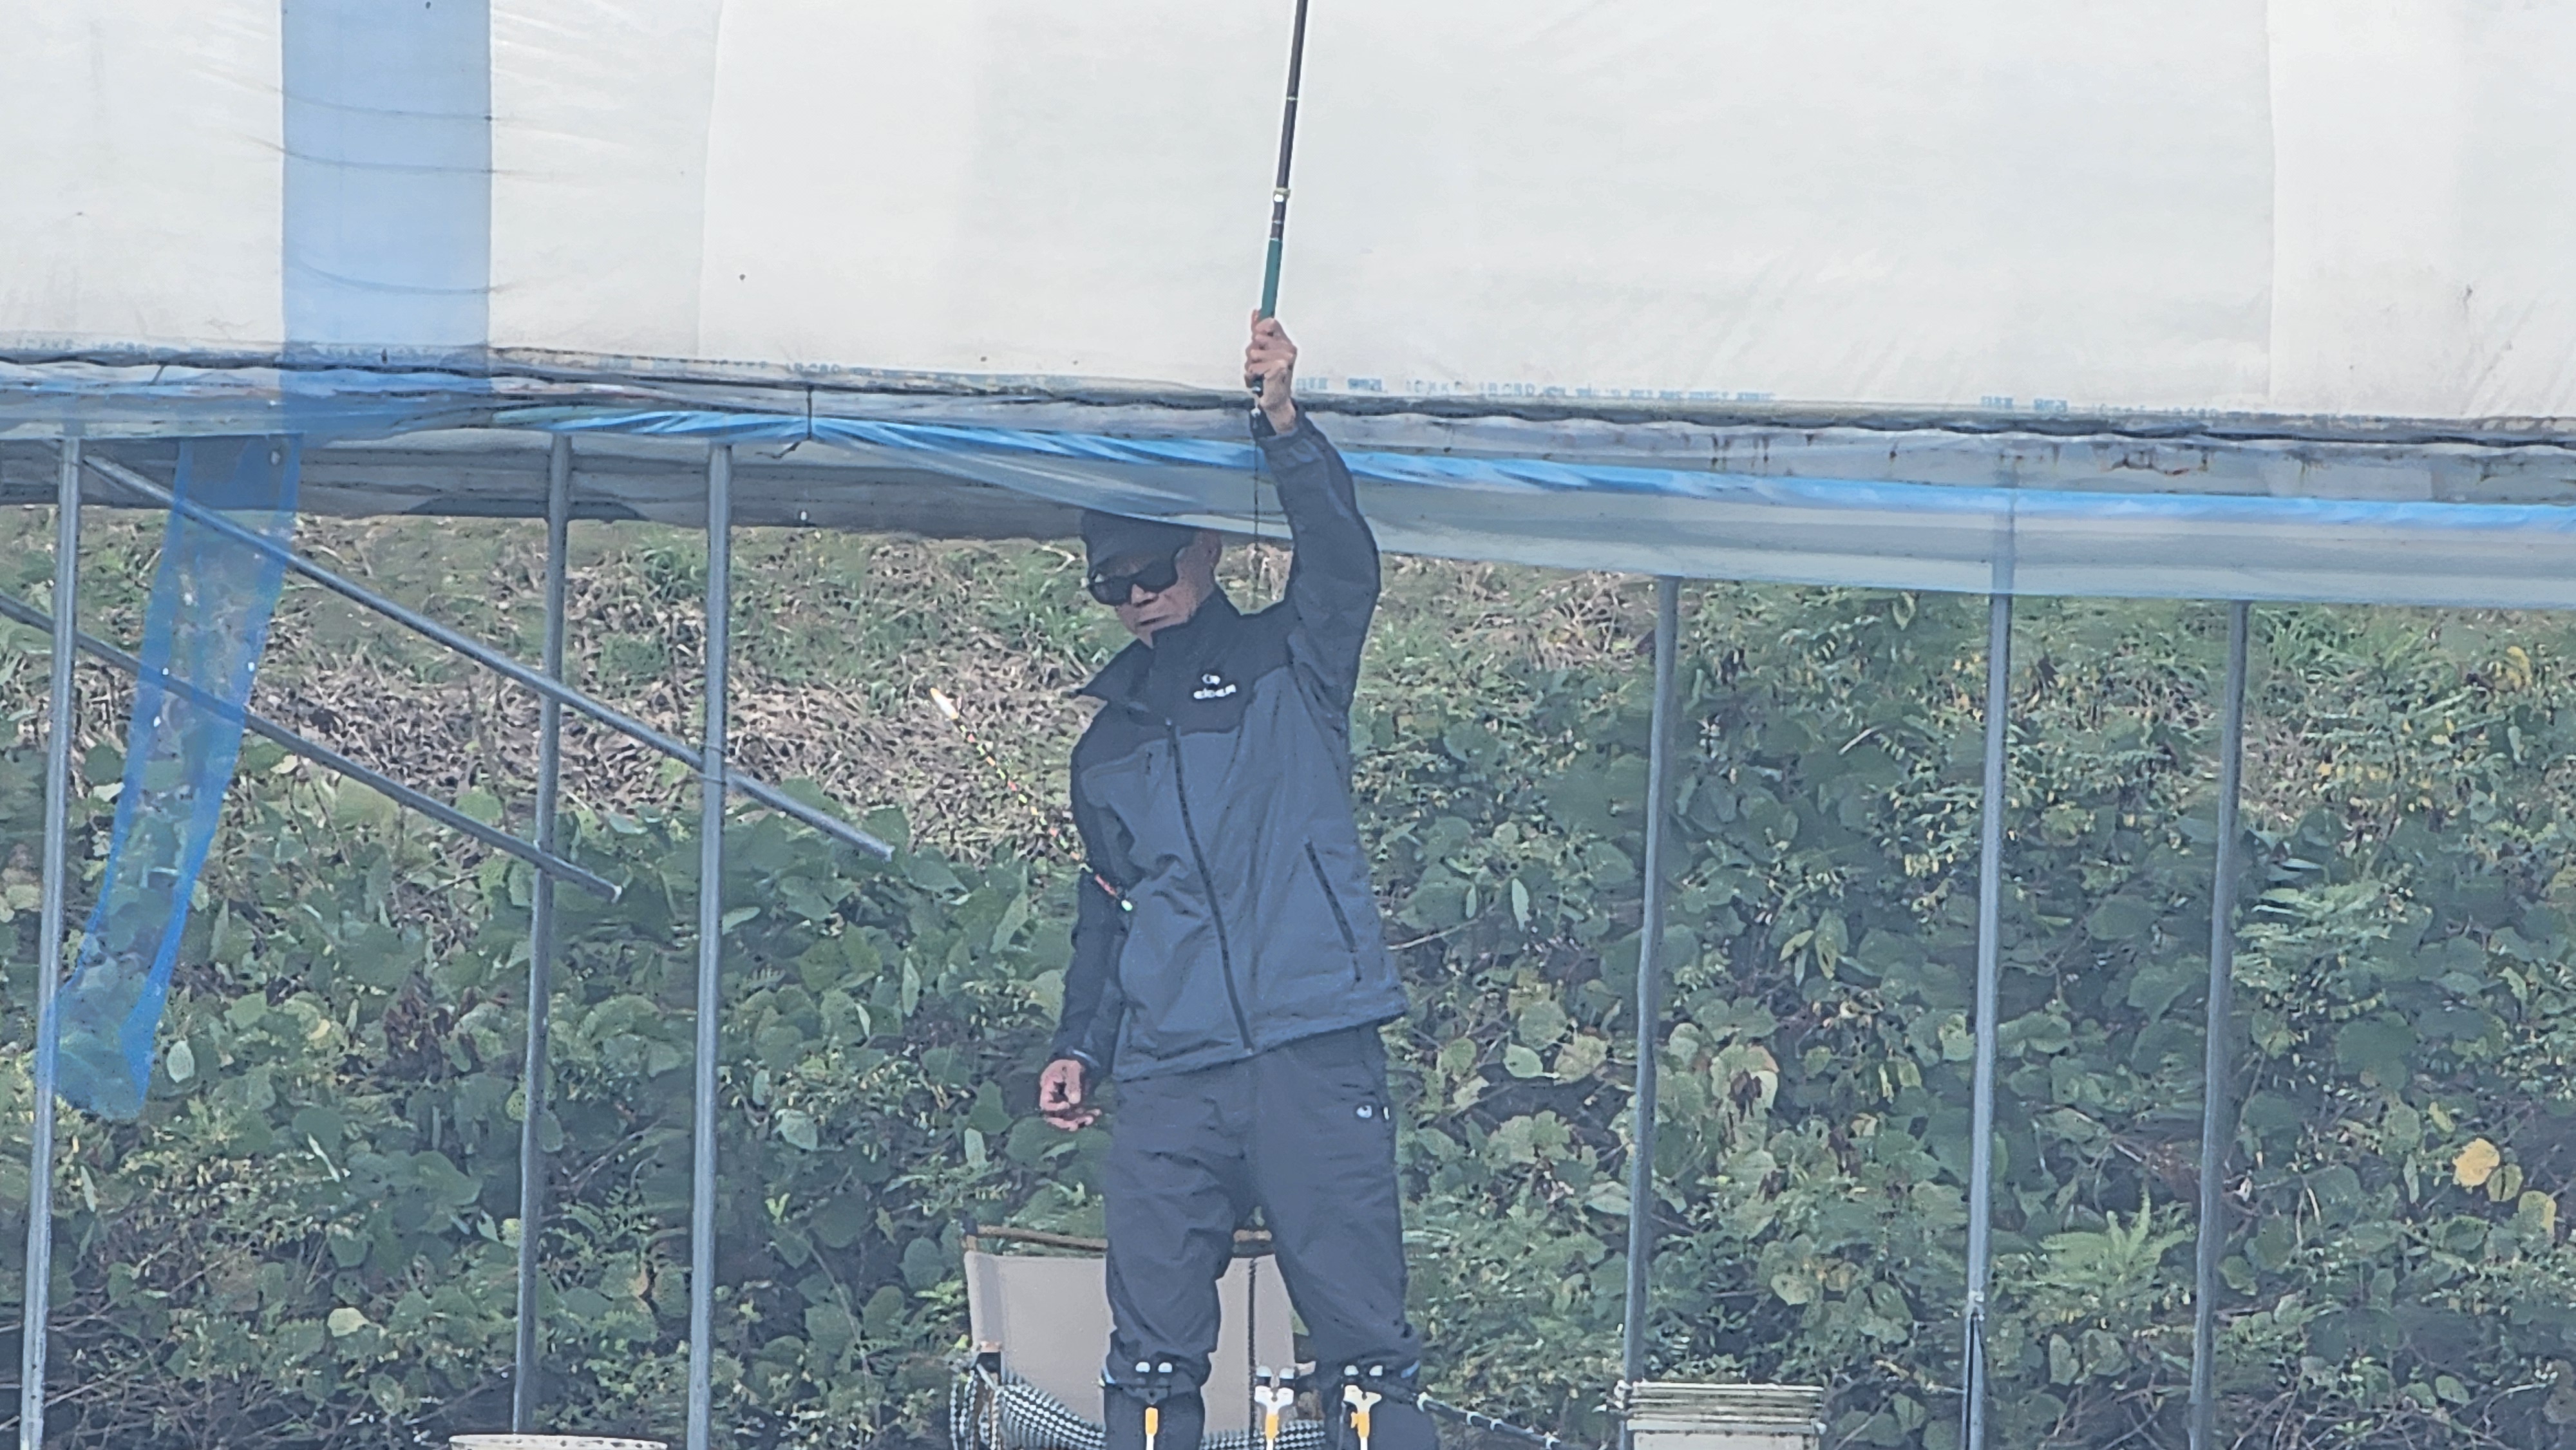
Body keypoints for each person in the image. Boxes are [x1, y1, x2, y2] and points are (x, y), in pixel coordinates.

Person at [1034, 314, 1435, 1450]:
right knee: (1149, 1358)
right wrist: (1080, 1046)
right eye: (1111, 584)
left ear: (1205, 552)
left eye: (1152, 569)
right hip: (1170, 1073)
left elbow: (1344, 564)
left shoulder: (1290, 663)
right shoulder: (1104, 743)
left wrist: (1286, 428)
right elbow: (1109, 910)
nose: (1136, 595)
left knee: (1366, 1352)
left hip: (1312, 1044)